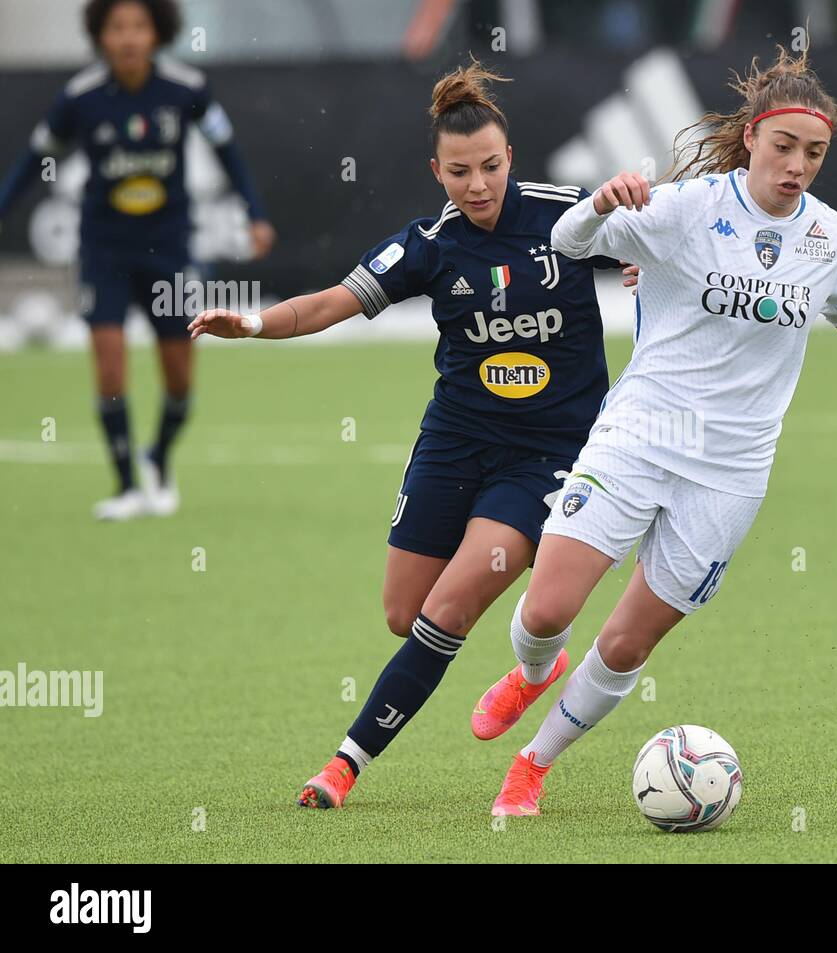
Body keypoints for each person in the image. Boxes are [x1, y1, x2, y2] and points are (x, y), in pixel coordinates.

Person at [188, 61, 637, 809]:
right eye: (460, 172)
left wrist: (641, 256)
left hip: (548, 456)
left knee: (446, 611)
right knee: (403, 611)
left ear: (511, 160)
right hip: (455, 439)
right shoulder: (429, 243)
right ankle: (537, 666)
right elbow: (333, 301)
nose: (479, 185)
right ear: (438, 171)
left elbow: (665, 234)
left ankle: (344, 763)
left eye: (491, 167)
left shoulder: (569, 219)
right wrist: (257, 323)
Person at [473, 46, 837, 817]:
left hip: (732, 473)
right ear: (751, 140)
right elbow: (568, 243)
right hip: (639, 435)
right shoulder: (685, 209)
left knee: (630, 643)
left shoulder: (828, 235)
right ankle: (533, 671)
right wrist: (604, 202)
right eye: (784, 147)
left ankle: (532, 766)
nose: (798, 165)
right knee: (545, 612)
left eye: (815, 152)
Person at [0, 0, 275, 519]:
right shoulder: (79, 98)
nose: (128, 38)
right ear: (100, 36)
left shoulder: (186, 88)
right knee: (108, 365)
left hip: (170, 248)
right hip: (103, 247)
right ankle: (126, 485)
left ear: (157, 33)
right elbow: (36, 159)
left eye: (138, 27)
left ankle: (158, 457)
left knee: (178, 377)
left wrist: (255, 214)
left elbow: (229, 153)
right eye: (116, 28)